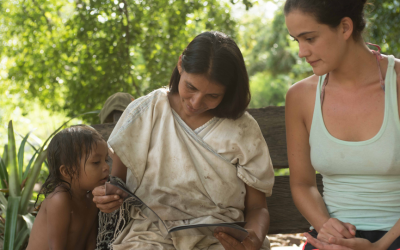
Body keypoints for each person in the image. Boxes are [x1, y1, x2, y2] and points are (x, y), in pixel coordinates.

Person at [92, 31, 275, 250]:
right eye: (191, 87)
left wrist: (251, 239)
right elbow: (117, 184)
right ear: (180, 65)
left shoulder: (243, 128)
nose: (196, 102)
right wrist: (107, 197)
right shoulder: (146, 111)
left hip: (220, 239)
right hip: (148, 237)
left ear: (228, 91)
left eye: (212, 96)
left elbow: (257, 207)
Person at [284, 0, 400, 250]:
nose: (302, 52)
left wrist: (379, 247)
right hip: (333, 240)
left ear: (345, 28)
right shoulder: (301, 96)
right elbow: (302, 184)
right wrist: (327, 227)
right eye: (297, 40)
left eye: (310, 38)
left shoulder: (397, 85)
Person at [27, 125, 110, 250]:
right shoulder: (59, 200)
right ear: (67, 171)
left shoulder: (92, 198)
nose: (106, 167)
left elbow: (91, 242)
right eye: (96, 162)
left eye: (106, 160)